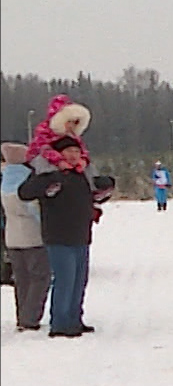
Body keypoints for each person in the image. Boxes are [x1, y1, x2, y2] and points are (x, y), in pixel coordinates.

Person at [19, 132, 113, 338]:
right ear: (59, 153)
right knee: (65, 279)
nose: (73, 155)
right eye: (69, 151)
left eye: (77, 151)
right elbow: (24, 192)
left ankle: (74, 319)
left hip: (81, 233)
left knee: (79, 280)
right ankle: (60, 323)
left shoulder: (82, 173)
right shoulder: (47, 172)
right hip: (58, 235)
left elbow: (93, 195)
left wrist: (105, 186)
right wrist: (49, 182)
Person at [4, 142, 53, 330]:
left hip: (12, 237)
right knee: (40, 277)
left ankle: (22, 315)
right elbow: (33, 210)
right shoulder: (25, 183)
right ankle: (30, 318)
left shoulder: (6, 182)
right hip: (32, 237)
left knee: (22, 279)